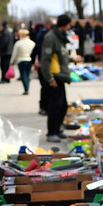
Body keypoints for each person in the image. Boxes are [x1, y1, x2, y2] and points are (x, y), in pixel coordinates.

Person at [40, 14, 81, 143]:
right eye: (68, 25)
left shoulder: (59, 37)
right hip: (54, 77)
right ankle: (51, 132)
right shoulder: (51, 38)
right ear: (63, 24)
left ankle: (57, 129)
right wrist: (49, 78)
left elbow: (60, 56)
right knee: (54, 106)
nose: (69, 27)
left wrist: (72, 59)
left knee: (62, 106)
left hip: (60, 77)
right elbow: (45, 60)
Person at [32, 17, 54, 115]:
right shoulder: (44, 35)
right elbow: (37, 48)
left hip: (48, 64)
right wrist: (35, 61)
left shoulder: (47, 34)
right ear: (47, 24)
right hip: (44, 64)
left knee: (47, 87)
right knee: (45, 86)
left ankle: (47, 106)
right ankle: (44, 107)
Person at [10, 28, 35, 95]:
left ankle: (26, 88)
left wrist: (12, 61)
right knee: (27, 74)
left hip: (21, 60)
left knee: (23, 74)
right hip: (29, 60)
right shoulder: (32, 43)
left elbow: (15, 54)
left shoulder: (18, 43)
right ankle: (27, 86)